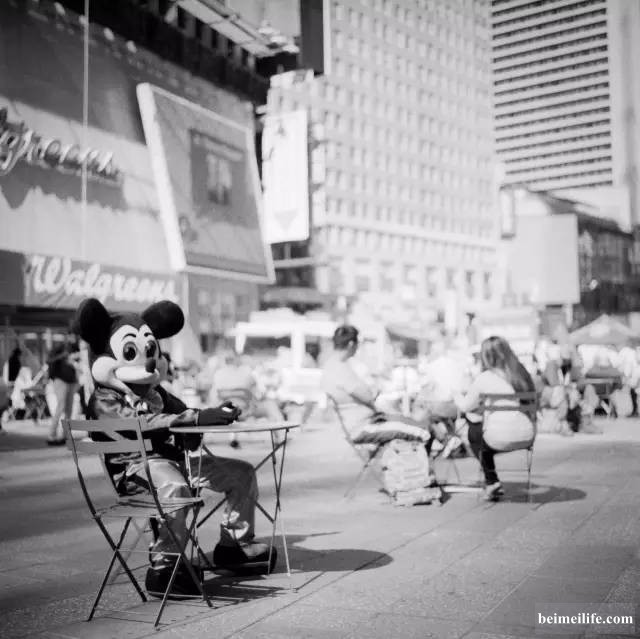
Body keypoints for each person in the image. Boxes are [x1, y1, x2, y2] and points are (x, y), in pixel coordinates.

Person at [321, 325, 436, 446]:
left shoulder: (331, 366)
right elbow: (369, 396)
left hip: (365, 422)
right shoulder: (340, 369)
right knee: (423, 431)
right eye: (357, 343)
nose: (358, 347)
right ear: (351, 344)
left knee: (408, 421)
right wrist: (376, 388)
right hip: (362, 426)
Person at [455, 335, 536, 501]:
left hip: (497, 438)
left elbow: (465, 406)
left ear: (486, 356)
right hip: (527, 435)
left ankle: (491, 480)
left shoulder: (485, 377)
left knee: (474, 429)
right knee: (482, 428)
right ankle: (492, 481)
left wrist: (454, 394)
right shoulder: (522, 374)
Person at [212, 351, 283, 448]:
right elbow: (257, 393)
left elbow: (215, 395)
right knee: (269, 407)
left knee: (235, 405)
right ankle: (279, 438)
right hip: (245, 409)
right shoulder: (245, 372)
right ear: (237, 360)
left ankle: (233, 438)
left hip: (227, 410)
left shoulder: (218, 374)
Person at [46, 343, 78, 445]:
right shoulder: (58, 348)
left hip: (71, 381)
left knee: (69, 409)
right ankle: (51, 434)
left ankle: (65, 435)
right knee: (61, 406)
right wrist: (62, 356)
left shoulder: (74, 347)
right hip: (60, 380)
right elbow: (48, 360)